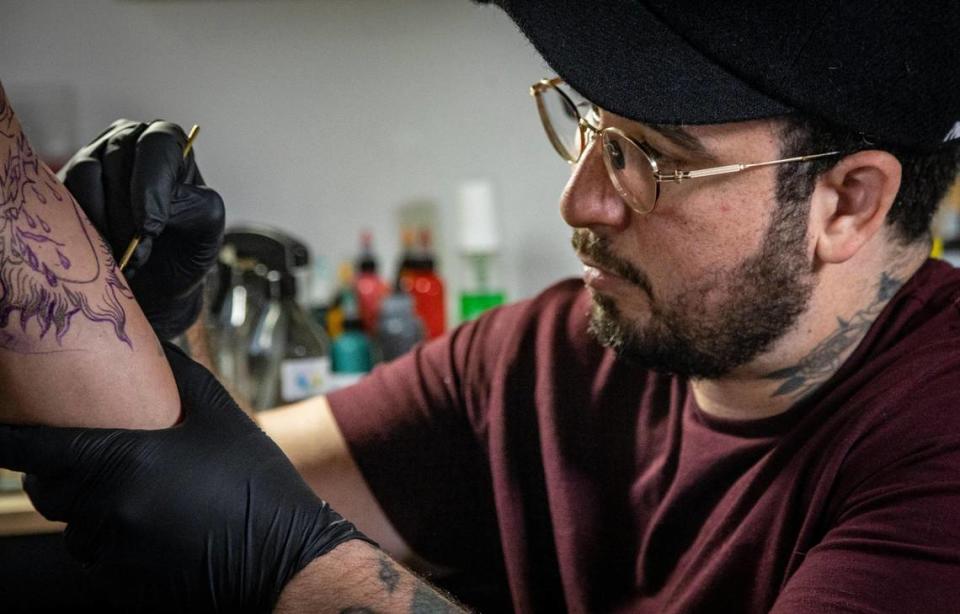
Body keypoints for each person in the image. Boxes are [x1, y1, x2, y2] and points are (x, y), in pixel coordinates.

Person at [4, 0, 960, 611]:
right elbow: (215, 494)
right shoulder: (548, 360)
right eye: (590, 129)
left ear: (849, 201)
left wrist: (299, 566)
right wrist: (153, 335)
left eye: (653, 157)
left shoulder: (939, 449)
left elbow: (266, 533)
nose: (580, 199)